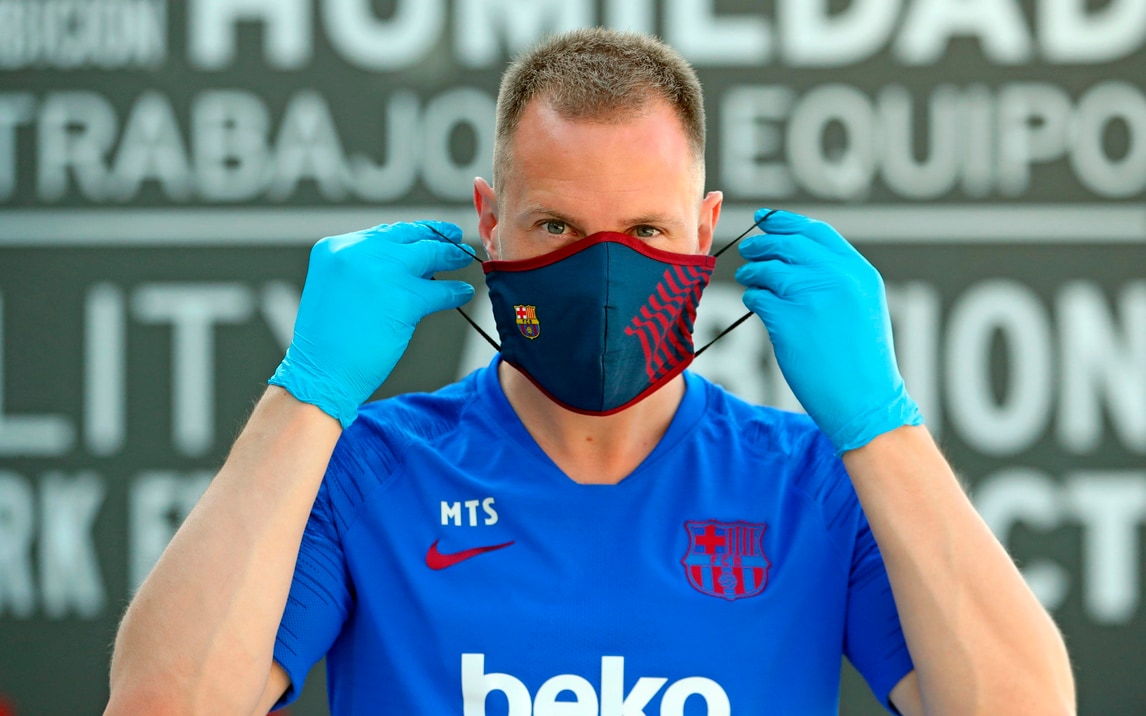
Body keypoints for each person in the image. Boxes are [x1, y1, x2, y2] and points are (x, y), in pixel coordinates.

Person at [104, 28, 1074, 716]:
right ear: (491, 223)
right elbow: (163, 705)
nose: (605, 273)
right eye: (558, 226)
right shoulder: (372, 472)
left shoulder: (809, 486)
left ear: (705, 230)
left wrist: (881, 423)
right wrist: (306, 392)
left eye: (646, 230)